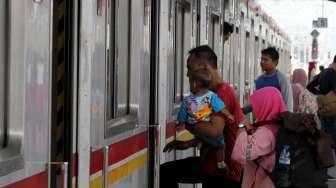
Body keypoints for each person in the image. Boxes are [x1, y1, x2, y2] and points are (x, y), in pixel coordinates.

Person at [160, 45, 244, 188]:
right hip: (211, 165)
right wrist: (189, 143)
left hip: (225, 171)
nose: (187, 75)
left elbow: (213, 131)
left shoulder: (221, 93)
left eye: (190, 69)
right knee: (165, 172)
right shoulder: (209, 94)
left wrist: (188, 120)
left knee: (166, 172)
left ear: (205, 68)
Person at [176, 69, 234, 172]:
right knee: (221, 144)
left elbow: (182, 113)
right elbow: (220, 108)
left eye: (190, 82)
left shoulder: (188, 100)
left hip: (194, 125)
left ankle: (201, 145)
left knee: (204, 140)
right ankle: (220, 164)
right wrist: (229, 115)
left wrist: (181, 123)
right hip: (205, 124)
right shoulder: (211, 96)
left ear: (195, 84)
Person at [232, 87, 287, 188]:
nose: (254, 110)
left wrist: (241, 127)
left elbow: (241, 153)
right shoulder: (278, 125)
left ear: (266, 105)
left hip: (261, 183)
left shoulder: (266, 132)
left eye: (256, 106)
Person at [255, 47, 293, 111]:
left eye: (266, 59)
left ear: (275, 62)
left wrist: (287, 119)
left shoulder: (282, 80)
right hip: (262, 120)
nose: (262, 62)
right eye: (261, 59)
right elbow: (256, 102)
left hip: (278, 120)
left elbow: (288, 103)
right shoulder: (259, 80)